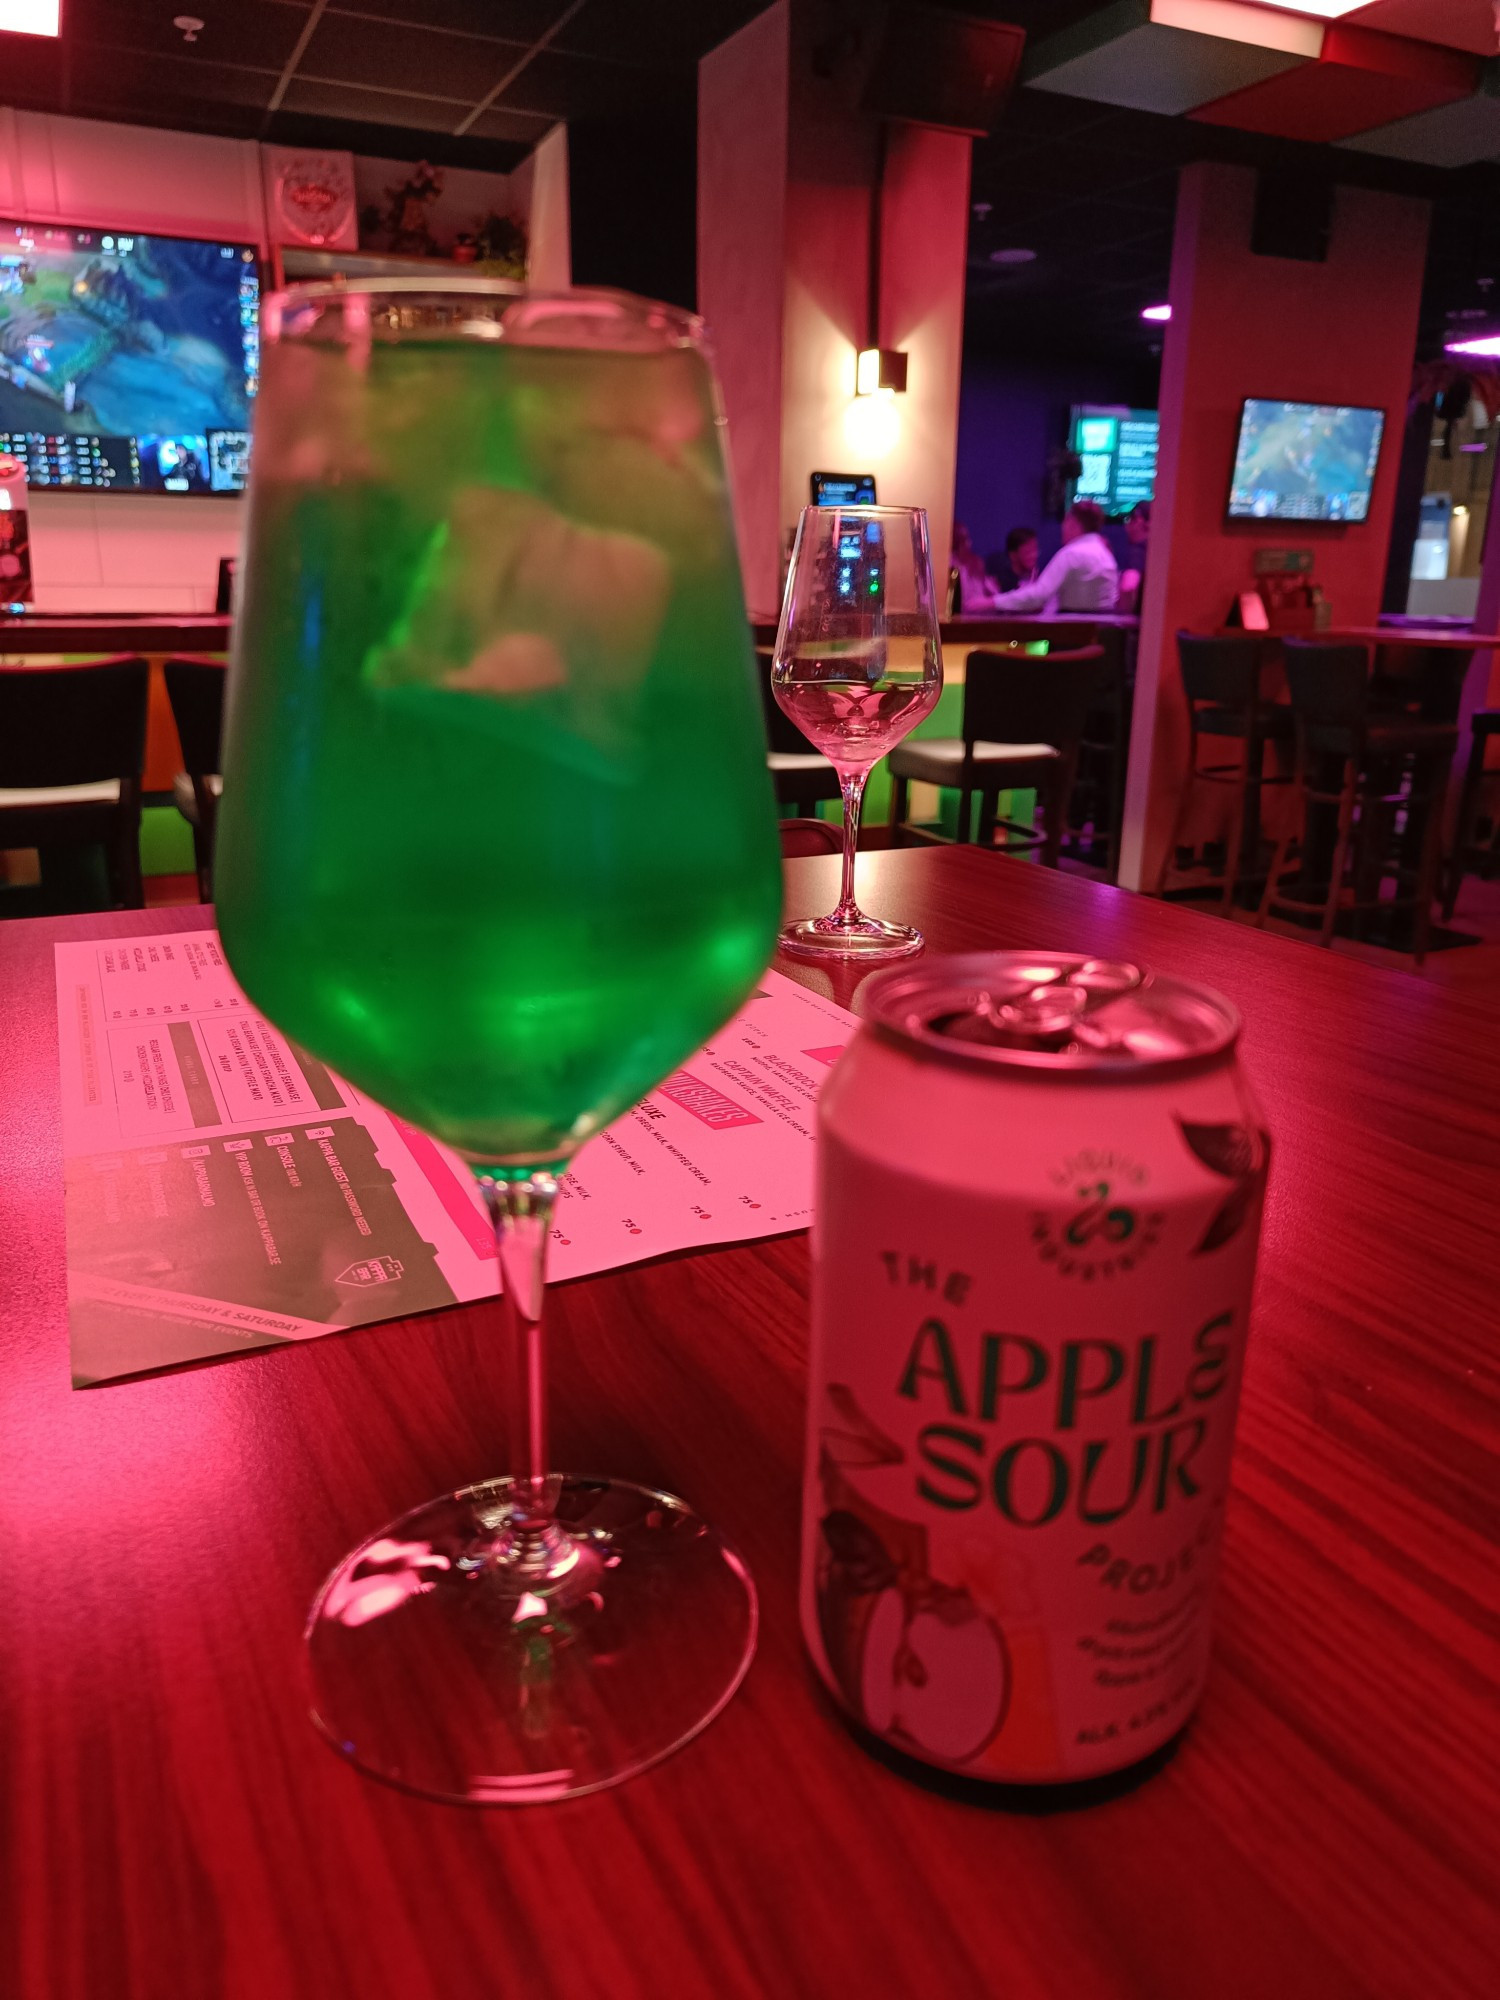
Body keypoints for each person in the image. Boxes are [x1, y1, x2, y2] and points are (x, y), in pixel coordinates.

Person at [983, 499, 1119, 615]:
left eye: (1065, 522)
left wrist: (991, 602)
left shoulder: (1071, 554)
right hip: (1103, 636)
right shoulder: (1106, 555)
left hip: (1073, 636)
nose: (1063, 528)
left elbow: (1039, 596)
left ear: (1073, 524)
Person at [1118, 499, 1150, 612]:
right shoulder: (1158, 553)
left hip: (1138, 626)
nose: (1127, 526)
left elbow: (1129, 586)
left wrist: (1123, 621)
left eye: (1130, 519)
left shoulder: (1138, 552)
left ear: (1142, 523)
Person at [990, 525, 1040, 595]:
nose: (1034, 555)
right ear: (1013, 555)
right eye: (1028, 551)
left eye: (1035, 549)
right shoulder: (1004, 583)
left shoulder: (1039, 577)